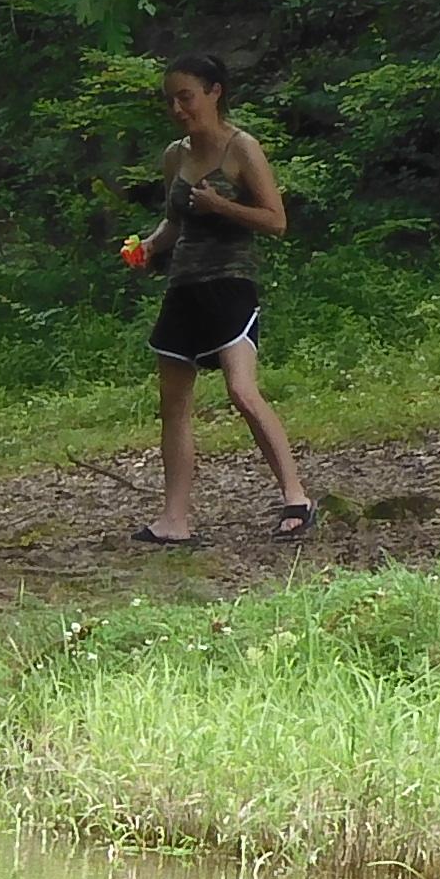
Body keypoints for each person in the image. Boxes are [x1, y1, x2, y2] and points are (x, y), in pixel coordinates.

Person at [134, 55, 317, 545]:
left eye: (186, 97)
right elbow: (175, 222)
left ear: (215, 92)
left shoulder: (242, 149)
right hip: (184, 287)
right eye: (170, 99)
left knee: (242, 390)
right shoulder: (175, 156)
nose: (177, 108)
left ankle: (296, 497)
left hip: (231, 284)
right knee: (173, 403)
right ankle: (175, 519)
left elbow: (276, 221)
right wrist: (149, 246)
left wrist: (221, 205)